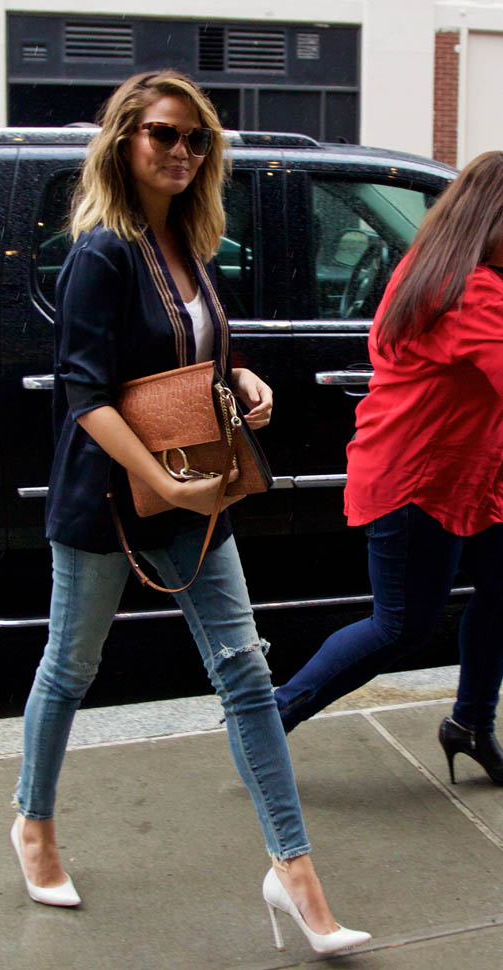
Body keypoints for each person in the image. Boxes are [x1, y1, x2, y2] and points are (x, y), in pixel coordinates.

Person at [9, 70, 370, 956]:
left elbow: (189, 352)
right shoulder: (102, 251)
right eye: (163, 134)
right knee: (69, 668)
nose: (181, 151)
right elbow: (86, 395)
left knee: (244, 673)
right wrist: (162, 486)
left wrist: (238, 377)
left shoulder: (188, 241)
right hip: (110, 498)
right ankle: (34, 824)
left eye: (195, 138)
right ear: (124, 142)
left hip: (196, 486)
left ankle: (295, 874)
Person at [275, 151, 503, 789]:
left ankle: (471, 724)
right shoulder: (471, 291)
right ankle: (264, 718)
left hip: (472, 476)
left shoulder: (437, 265)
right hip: (420, 480)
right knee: (400, 626)